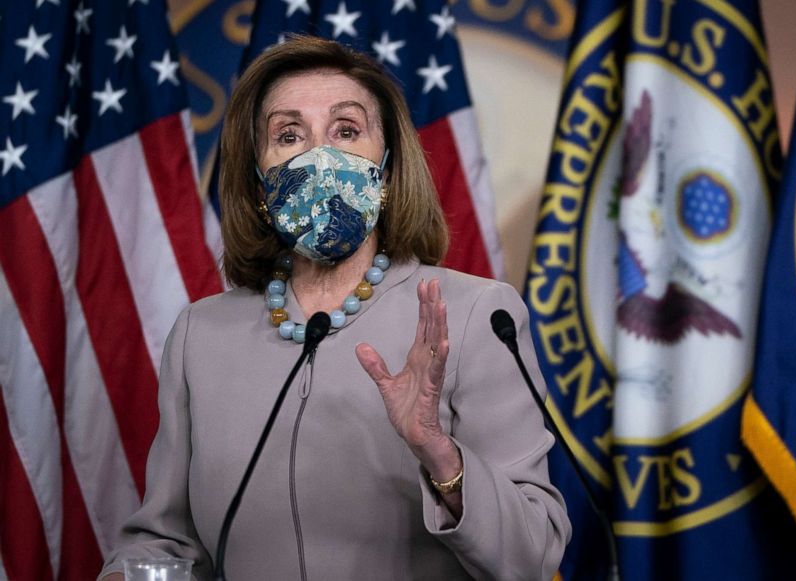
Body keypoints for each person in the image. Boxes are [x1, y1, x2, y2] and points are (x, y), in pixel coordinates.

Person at [99, 36, 570, 580]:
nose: (319, 156)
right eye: (288, 135)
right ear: (258, 177)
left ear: (388, 169)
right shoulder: (200, 334)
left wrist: (439, 453)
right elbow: (164, 543)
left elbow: (534, 556)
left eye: (346, 131)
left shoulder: (474, 315)